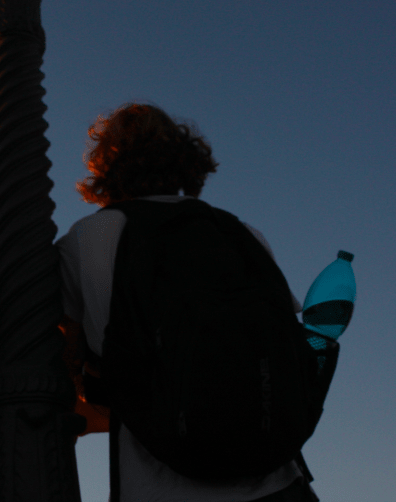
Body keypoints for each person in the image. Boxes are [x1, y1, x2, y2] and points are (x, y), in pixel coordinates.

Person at [57, 104, 317, 502]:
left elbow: (65, 364)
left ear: (104, 164)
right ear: (185, 157)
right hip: (278, 481)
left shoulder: (87, 238)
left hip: (157, 485)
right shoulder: (242, 233)